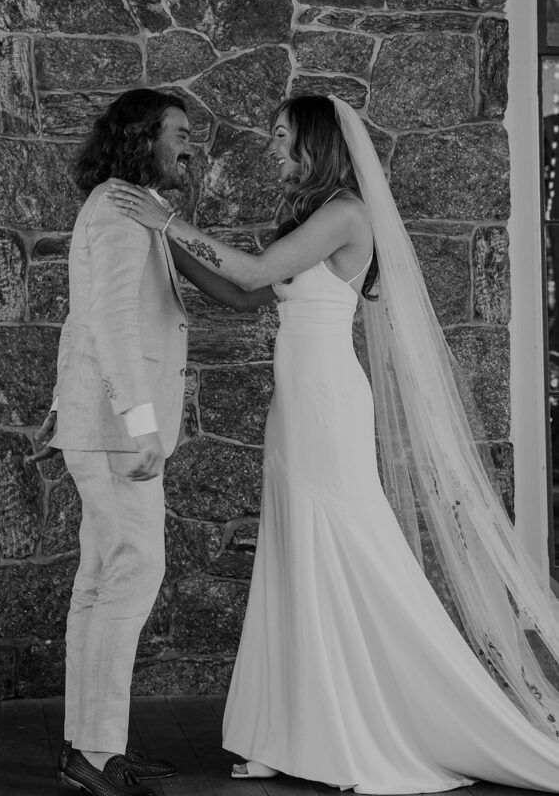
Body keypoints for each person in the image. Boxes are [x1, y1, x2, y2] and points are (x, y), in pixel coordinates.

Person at [108, 94, 559, 794]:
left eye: (283, 137)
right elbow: (242, 296)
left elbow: (254, 273)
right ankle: (294, 733)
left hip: (326, 407)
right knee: (295, 559)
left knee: (348, 549)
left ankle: (367, 728)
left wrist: (169, 219)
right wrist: (163, 240)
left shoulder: (345, 212)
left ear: (317, 143)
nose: (274, 150)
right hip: (295, 411)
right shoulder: (312, 220)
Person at [43, 88, 194, 796]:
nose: (188, 146)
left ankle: (89, 746)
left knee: (101, 581)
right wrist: (141, 424)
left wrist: (60, 407)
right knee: (132, 575)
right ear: (143, 137)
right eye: (179, 133)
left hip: (97, 424)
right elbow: (110, 325)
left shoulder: (123, 205)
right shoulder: (121, 213)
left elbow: (85, 320)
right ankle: (97, 753)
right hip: (116, 432)